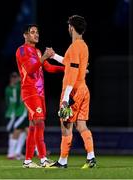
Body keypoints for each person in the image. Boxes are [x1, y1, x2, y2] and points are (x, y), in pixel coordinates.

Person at [48, 15, 96, 169]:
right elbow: (70, 63)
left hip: (74, 91)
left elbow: (73, 71)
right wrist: (53, 55)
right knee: (81, 125)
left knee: (65, 125)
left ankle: (62, 161)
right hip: (83, 89)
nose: (68, 28)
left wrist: (66, 97)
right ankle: (91, 158)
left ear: (72, 27)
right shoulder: (83, 45)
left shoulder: (75, 46)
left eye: (69, 25)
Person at [15, 24, 64, 168]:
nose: (36, 35)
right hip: (30, 92)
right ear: (25, 35)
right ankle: (43, 159)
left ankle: (28, 161)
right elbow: (30, 70)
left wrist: (68, 68)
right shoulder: (22, 50)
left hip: (40, 93)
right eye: (32, 32)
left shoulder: (36, 51)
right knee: (39, 123)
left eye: (37, 32)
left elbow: (48, 67)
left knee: (33, 125)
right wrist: (44, 57)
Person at [5, 72, 30, 160]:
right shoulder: (11, 88)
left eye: (16, 77)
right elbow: (9, 101)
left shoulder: (18, 86)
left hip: (19, 112)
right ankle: (12, 153)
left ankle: (16, 153)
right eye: (13, 77)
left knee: (23, 132)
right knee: (15, 131)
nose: (14, 78)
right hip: (16, 113)